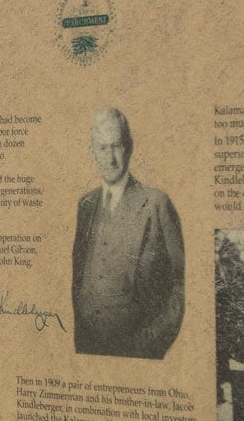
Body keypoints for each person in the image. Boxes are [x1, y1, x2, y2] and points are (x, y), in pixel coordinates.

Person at [70, 107, 185, 359]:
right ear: (92, 152)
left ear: (129, 148)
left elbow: (181, 285)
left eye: (116, 146)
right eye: (102, 148)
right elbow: (77, 278)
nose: (110, 159)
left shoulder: (156, 204)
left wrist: (148, 346)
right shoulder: (86, 205)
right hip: (88, 352)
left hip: (136, 355)